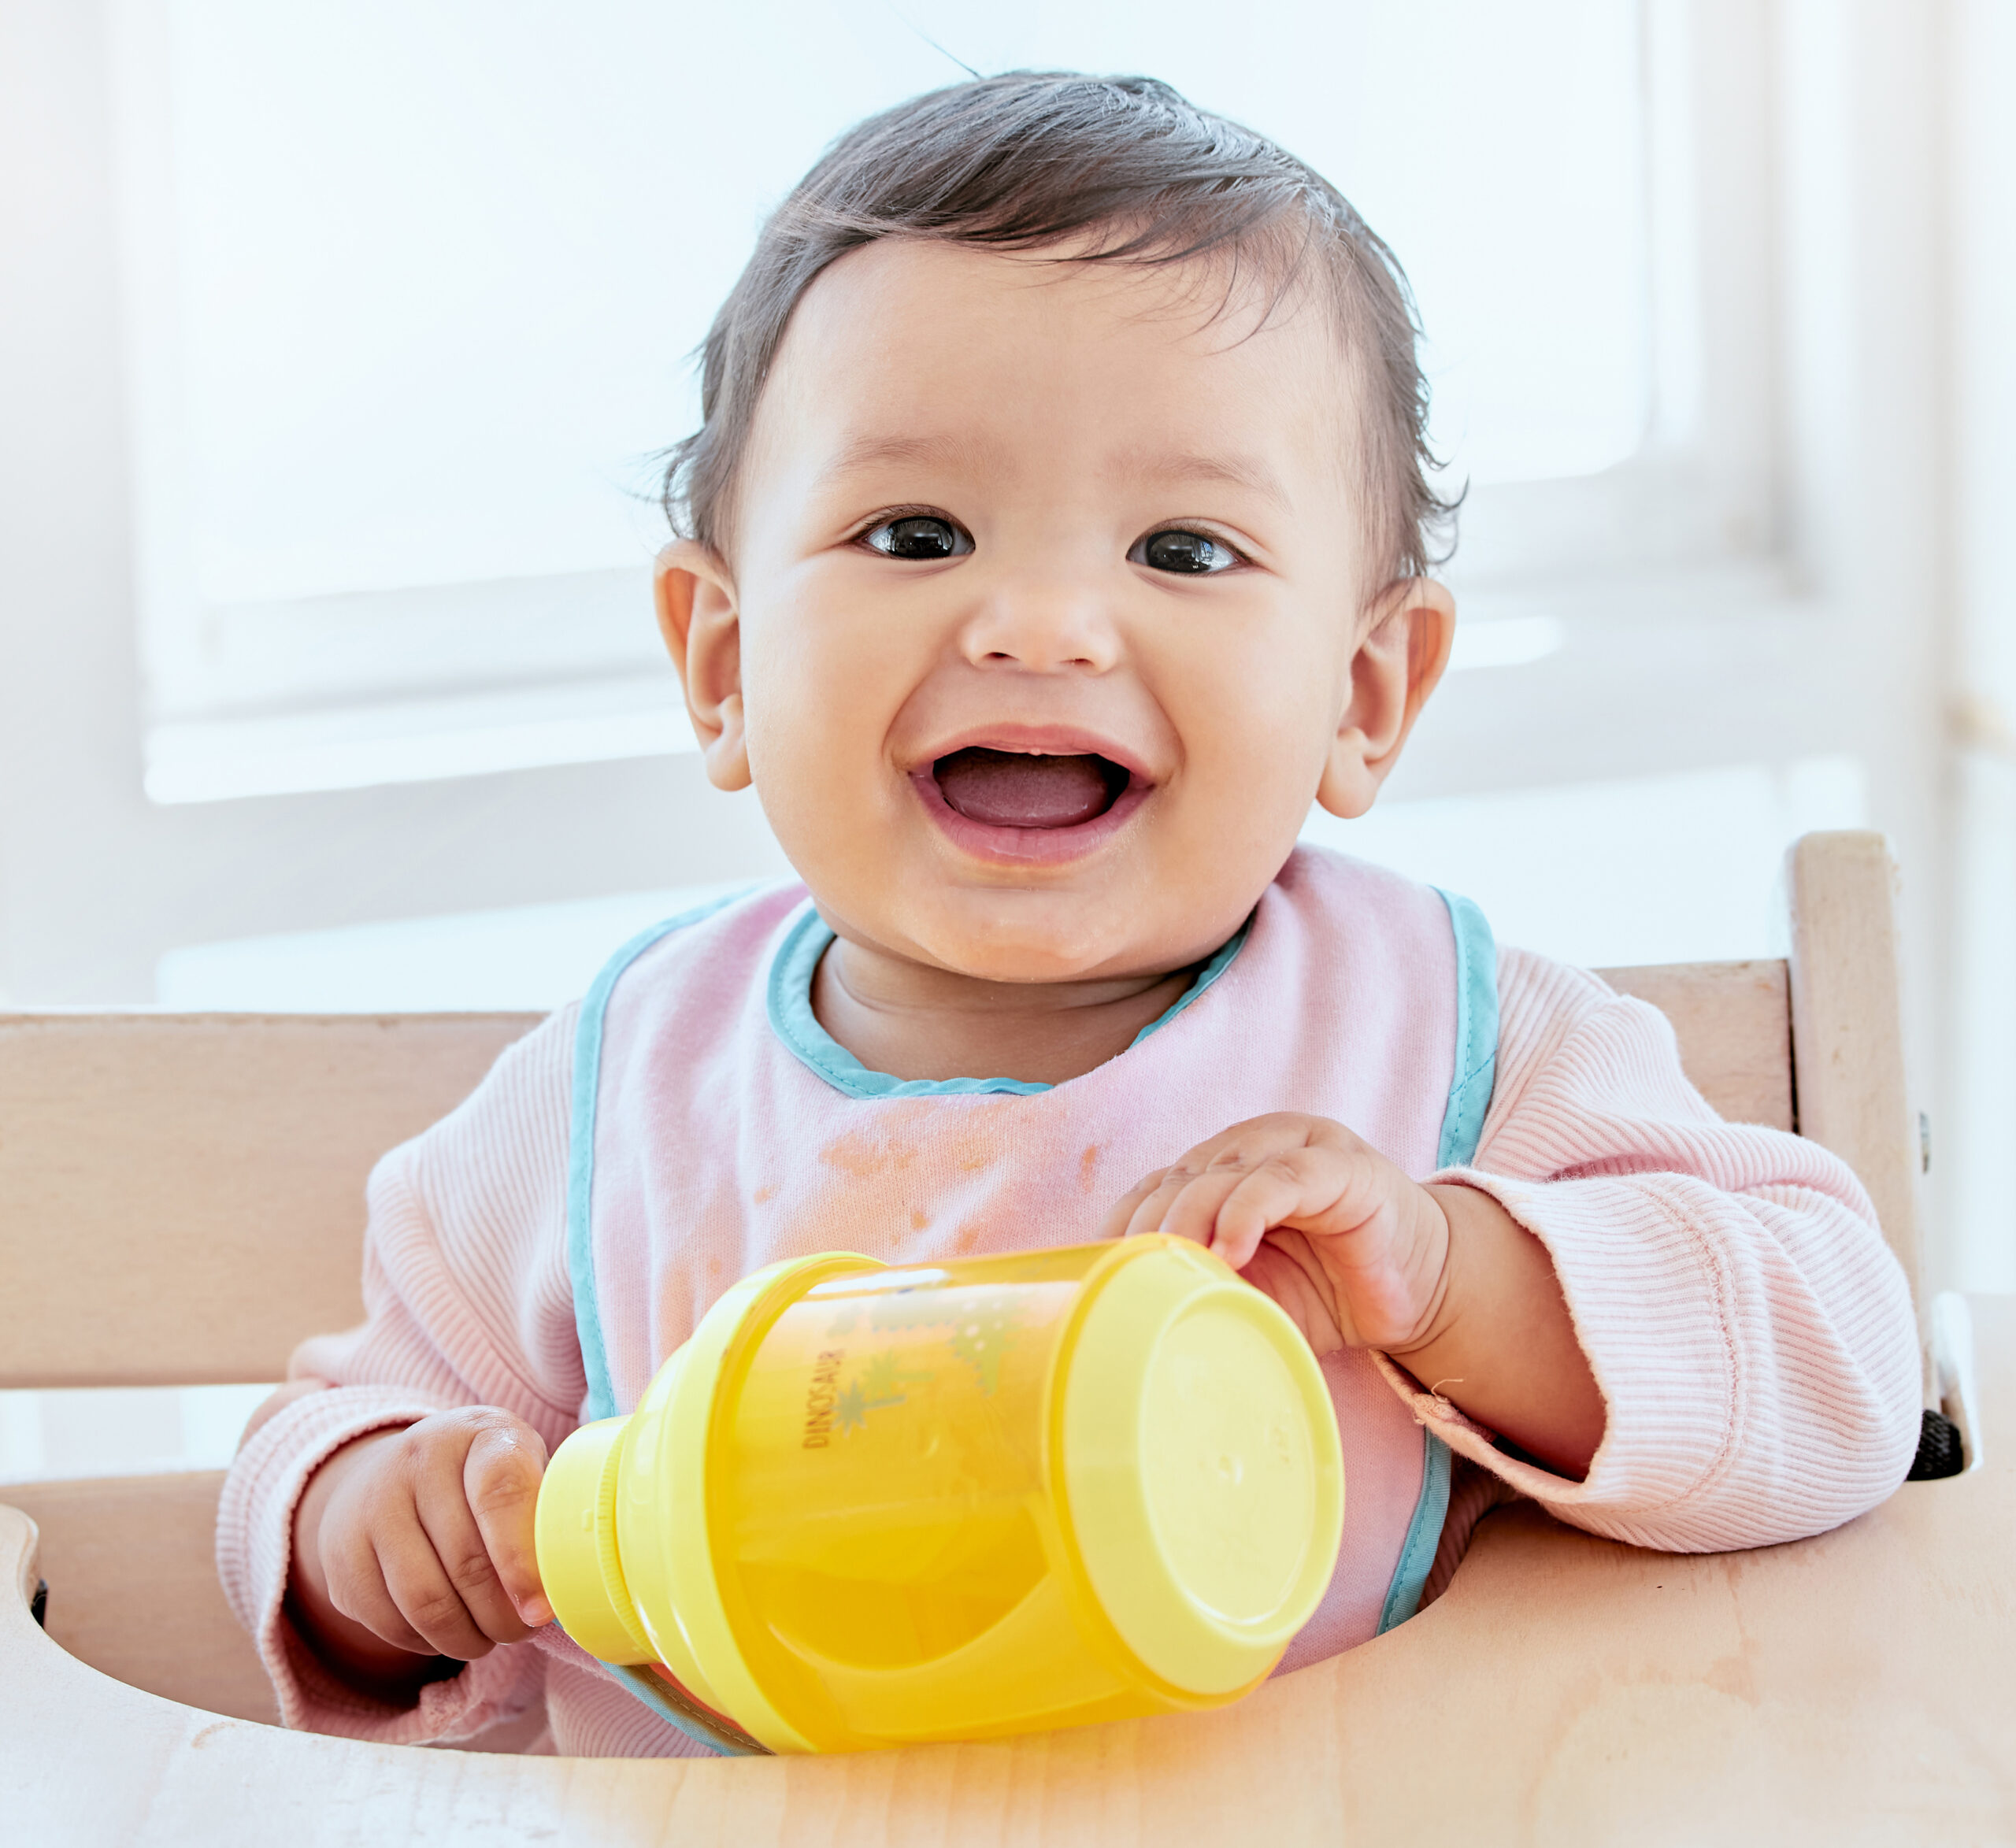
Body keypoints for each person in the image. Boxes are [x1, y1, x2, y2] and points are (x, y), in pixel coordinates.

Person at [218, 72, 1922, 1757]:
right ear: (723, 663)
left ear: (1364, 690)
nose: (1040, 623)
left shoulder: (1454, 1039)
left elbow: (1839, 1371)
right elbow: (345, 1434)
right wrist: (373, 1529)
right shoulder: (608, 1098)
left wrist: (1452, 1275)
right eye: (915, 530)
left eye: (1181, 550)